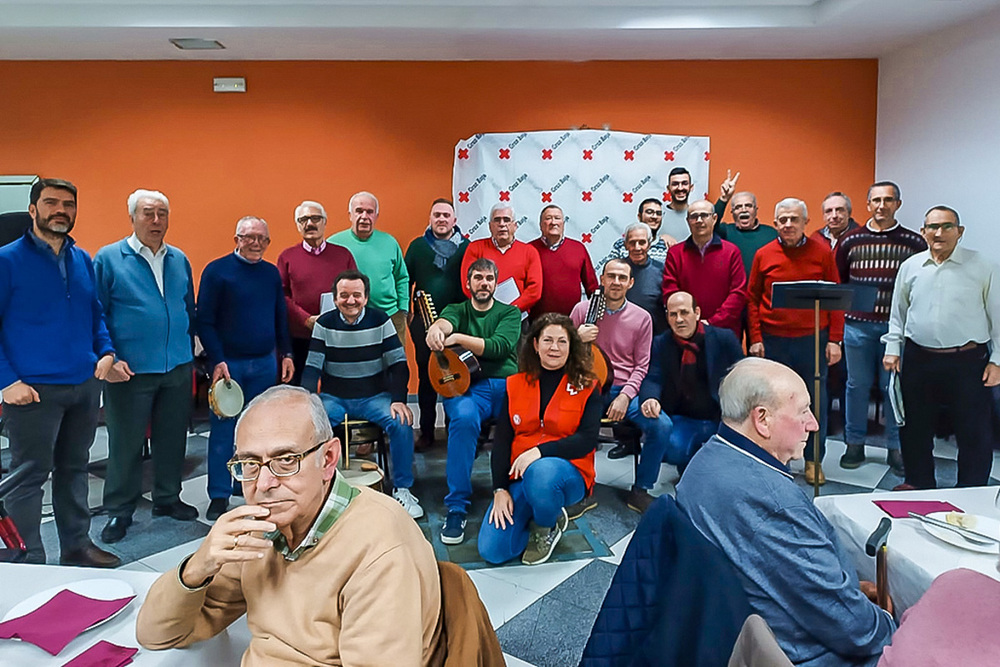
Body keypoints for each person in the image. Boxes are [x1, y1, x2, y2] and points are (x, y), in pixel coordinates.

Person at [135, 386, 443, 665]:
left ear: (329, 458)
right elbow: (157, 635)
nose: (264, 484)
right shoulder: (259, 529)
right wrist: (197, 567)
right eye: (250, 464)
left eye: (286, 460)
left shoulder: (380, 545)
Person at [677, 358, 896, 666]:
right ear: (762, 420)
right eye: (803, 410)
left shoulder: (705, 461)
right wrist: (888, 623)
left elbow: (773, 568)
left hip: (733, 630)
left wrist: (845, 590)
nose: (814, 424)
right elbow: (857, 632)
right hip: (795, 652)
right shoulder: (774, 502)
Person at [0, 178, 122, 567]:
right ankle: (27, 559)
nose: (61, 210)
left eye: (68, 204)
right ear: (33, 209)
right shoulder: (6, 261)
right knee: (28, 477)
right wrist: (5, 382)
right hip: (32, 390)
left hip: (83, 385)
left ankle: (76, 546)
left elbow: (94, 314)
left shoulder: (82, 259)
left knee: (74, 470)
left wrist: (105, 350)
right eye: (51, 202)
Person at [94, 188, 198, 544]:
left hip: (177, 366)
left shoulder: (179, 259)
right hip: (130, 369)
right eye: (148, 213)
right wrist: (108, 359)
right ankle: (119, 511)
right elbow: (97, 314)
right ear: (133, 218)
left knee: (173, 439)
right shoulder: (109, 259)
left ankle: (167, 499)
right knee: (126, 443)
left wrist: (191, 349)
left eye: (162, 214)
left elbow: (188, 306)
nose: (156, 221)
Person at [883, 205, 1000, 489]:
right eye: (932, 227)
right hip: (918, 358)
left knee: (973, 431)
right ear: (923, 232)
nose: (939, 232)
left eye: (947, 226)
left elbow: (997, 315)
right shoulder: (910, 266)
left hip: (968, 361)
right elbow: (898, 313)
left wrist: (997, 360)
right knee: (914, 428)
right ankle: (919, 485)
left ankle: (970, 490)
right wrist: (893, 348)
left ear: (960, 232)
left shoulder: (984, 266)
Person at [478, 313, 601, 566]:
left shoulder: (588, 385)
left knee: (541, 473)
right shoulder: (514, 384)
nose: (554, 347)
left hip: (567, 473)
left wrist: (540, 451)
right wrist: (499, 489)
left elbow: (587, 440)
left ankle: (546, 526)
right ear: (535, 344)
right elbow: (501, 441)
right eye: (547, 340)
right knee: (493, 550)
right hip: (521, 477)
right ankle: (539, 511)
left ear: (571, 346)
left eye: (562, 341)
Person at [301, 269, 422, 519]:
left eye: (357, 295)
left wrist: (399, 399)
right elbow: (312, 367)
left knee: (402, 422)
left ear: (366, 297)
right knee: (309, 426)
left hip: (374, 397)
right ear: (335, 298)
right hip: (334, 398)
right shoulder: (324, 324)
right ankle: (318, 489)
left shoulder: (380, 321)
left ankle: (402, 488)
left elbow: (399, 364)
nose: (351, 300)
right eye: (344, 295)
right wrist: (308, 402)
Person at [197, 216, 294, 520]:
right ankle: (219, 493)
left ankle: (248, 485)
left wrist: (287, 353)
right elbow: (205, 321)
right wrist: (217, 360)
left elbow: (280, 316)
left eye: (262, 239)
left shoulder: (270, 274)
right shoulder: (216, 272)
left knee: (258, 432)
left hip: (265, 362)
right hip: (230, 366)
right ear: (236, 238)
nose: (255, 243)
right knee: (224, 431)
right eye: (249, 237)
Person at [747, 198, 843, 485]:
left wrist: (835, 339)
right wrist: (755, 338)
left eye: (794, 219)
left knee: (815, 402)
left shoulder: (823, 252)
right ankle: (776, 458)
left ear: (805, 222)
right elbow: (752, 299)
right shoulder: (763, 254)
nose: (788, 225)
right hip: (773, 340)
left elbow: (836, 298)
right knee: (772, 404)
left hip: (812, 340)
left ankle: (814, 460)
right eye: (783, 220)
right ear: (775, 223)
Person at [426, 258, 521, 545]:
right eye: (477, 278)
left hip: (507, 385)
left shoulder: (510, 313)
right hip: (468, 387)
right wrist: (436, 330)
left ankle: (519, 494)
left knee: (525, 422)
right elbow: (445, 322)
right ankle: (457, 506)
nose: (483, 283)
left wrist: (458, 337)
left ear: (495, 283)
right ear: (468, 284)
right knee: (464, 419)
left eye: (489, 278)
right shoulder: (456, 309)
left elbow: (498, 347)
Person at [835, 183, 925, 473]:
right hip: (857, 327)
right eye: (876, 200)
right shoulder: (850, 240)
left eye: (888, 200)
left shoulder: (913, 243)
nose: (881, 205)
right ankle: (854, 444)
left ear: (898, 204)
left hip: (896, 329)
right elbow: (841, 282)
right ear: (868, 204)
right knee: (855, 386)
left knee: (893, 389)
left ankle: (896, 448)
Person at [571, 259, 670, 514]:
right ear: (602, 280)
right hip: (587, 388)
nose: (616, 282)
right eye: (611, 276)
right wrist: (575, 338)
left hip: (623, 390)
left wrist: (626, 396)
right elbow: (561, 355)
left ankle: (640, 490)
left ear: (630, 283)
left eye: (622, 278)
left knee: (662, 425)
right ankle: (581, 489)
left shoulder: (642, 318)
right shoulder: (582, 311)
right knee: (572, 425)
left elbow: (642, 365)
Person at [637, 292, 743, 476]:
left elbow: (744, 375)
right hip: (682, 417)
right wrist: (650, 398)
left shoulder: (723, 339)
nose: (679, 319)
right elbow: (653, 377)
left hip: (720, 416)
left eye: (684, 312)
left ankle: (702, 466)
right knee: (670, 447)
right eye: (673, 314)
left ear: (697, 313)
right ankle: (691, 463)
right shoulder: (661, 343)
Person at [405, 198, 470, 451]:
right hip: (423, 321)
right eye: (437, 215)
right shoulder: (418, 247)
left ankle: (457, 432)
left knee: (460, 376)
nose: (441, 219)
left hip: (459, 324)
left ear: (454, 220)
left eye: (446, 215)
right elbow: (404, 281)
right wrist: (407, 313)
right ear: (430, 219)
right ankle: (428, 432)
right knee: (426, 376)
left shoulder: (467, 248)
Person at [277, 199, 357, 386]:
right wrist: (306, 319)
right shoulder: (287, 257)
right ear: (298, 225)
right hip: (300, 337)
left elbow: (355, 290)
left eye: (315, 218)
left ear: (324, 222)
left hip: (337, 335)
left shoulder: (343, 255)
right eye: (303, 219)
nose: (310, 224)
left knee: (338, 390)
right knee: (302, 391)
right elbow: (282, 296)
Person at [328, 191, 409, 344]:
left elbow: (401, 277)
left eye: (370, 212)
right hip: (349, 318)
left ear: (376, 216)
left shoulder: (390, 242)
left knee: (395, 364)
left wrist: (403, 310)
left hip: (390, 316)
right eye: (359, 211)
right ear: (350, 215)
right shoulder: (334, 244)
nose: (364, 216)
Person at [661, 199, 747, 338]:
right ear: (688, 221)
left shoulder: (731, 252)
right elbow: (670, 291)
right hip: (686, 331)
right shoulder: (675, 254)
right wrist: (690, 322)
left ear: (714, 219)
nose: (699, 220)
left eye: (704, 215)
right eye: (694, 217)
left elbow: (738, 293)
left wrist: (712, 322)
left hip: (724, 331)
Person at [460, 204, 542, 317]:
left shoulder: (529, 252)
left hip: (516, 317)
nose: (502, 224)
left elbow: (535, 290)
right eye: (497, 220)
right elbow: (467, 283)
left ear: (515, 226)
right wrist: (486, 307)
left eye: (506, 220)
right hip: (482, 316)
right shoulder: (475, 248)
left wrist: (510, 310)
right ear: (490, 226)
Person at [528, 204, 598, 319]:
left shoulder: (578, 248)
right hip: (537, 323)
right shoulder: (529, 250)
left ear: (563, 224)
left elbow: (592, 286)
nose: (553, 222)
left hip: (572, 321)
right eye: (548, 218)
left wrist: (595, 317)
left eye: (557, 218)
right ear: (541, 225)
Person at [716, 191, 778, 280]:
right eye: (738, 207)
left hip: (762, 291)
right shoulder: (725, 231)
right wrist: (723, 199)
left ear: (756, 210)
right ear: (732, 212)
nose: (744, 210)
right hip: (734, 291)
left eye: (748, 206)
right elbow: (710, 222)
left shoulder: (772, 233)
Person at [600, 197, 677, 268]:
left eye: (658, 213)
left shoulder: (667, 246)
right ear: (639, 216)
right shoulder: (621, 245)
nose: (654, 217)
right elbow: (609, 271)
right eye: (649, 212)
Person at [622, 221, 668, 334]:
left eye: (642, 242)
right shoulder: (617, 271)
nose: (637, 248)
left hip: (655, 335)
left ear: (649, 244)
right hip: (623, 335)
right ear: (626, 245)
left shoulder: (662, 270)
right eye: (632, 243)